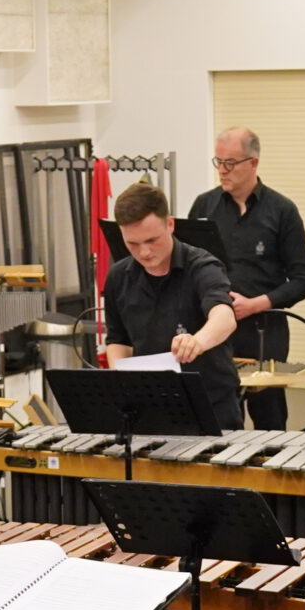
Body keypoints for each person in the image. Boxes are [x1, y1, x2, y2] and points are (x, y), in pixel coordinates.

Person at [186, 128, 305, 429]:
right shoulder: (204, 206)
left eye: (230, 163)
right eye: (218, 161)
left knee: (270, 420)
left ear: (253, 163)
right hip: (214, 330)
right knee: (220, 418)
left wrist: (255, 304)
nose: (222, 170)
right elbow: (187, 268)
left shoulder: (282, 211)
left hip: (264, 333)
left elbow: (303, 280)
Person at [105, 181, 242, 432]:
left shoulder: (202, 265)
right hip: (150, 406)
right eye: (132, 243)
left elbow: (224, 316)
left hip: (210, 404)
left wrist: (197, 342)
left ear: (170, 224)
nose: (144, 252)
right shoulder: (118, 277)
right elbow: (118, 340)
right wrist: (120, 376)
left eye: (152, 240)